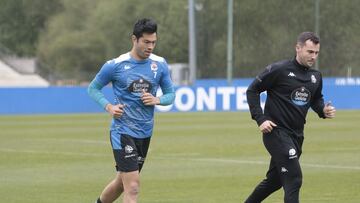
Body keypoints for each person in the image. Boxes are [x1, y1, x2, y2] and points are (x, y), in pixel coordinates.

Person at [87, 18, 175, 203]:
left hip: (145, 132)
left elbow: (170, 94)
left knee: (122, 183)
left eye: (153, 42)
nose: (150, 46)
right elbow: (93, 88)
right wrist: (109, 106)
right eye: (146, 42)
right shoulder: (115, 65)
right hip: (123, 131)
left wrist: (157, 99)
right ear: (134, 39)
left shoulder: (159, 64)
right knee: (133, 186)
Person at [245, 31, 336, 203]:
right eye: (310, 52)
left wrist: (323, 110)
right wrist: (261, 119)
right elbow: (252, 90)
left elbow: (315, 99)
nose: (314, 56)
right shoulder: (279, 70)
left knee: (274, 181)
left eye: (316, 53)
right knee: (294, 178)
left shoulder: (316, 77)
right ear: (298, 48)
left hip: (296, 136)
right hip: (275, 133)